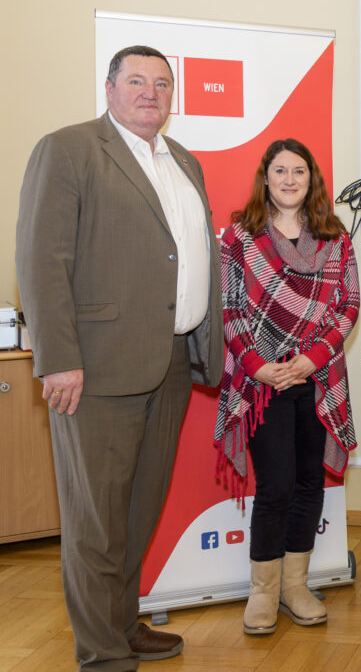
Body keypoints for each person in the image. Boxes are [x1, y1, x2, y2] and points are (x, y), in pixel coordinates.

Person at [15, 45, 223, 669]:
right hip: (96, 369)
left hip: (170, 365)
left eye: (163, 83)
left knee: (137, 512)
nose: (150, 93)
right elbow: (40, 260)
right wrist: (57, 358)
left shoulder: (183, 160)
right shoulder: (71, 148)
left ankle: (124, 622)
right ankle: (102, 653)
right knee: (95, 521)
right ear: (109, 88)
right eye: (137, 81)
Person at [215, 138, 359, 635]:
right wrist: (257, 366)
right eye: (281, 171)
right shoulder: (241, 237)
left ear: (312, 179)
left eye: (300, 171)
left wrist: (311, 359)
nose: (291, 179)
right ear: (266, 178)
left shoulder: (335, 236)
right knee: (275, 485)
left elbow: (349, 306)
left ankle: (296, 586)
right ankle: (263, 592)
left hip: (316, 378)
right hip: (263, 382)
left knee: (309, 482)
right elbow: (229, 309)